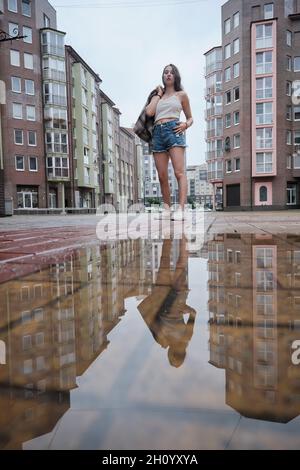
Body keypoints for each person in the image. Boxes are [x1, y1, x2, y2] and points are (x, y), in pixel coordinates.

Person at [138, 237, 196, 367]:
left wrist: (185, 309)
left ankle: (182, 232)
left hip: (177, 301)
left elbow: (193, 314)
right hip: (162, 298)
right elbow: (149, 318)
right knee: (165, 260)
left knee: (181, 263)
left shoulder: (186, 338)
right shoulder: (162, 341)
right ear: (170, 353)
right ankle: (169, 232)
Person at [145, 64, 193, 221]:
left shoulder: (181, 95)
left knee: (179, 172)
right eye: (165, 72)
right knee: (162, 176)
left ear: (176, 76)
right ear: (163, 76)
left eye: (171, 72)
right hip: (158, 133)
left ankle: (181, 209)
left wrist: (185, 124)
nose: (168, 74)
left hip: (174, 130)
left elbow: (190, 117)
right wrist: (158, 95)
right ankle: (167, 209)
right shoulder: (157, 96)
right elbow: (149, 112)